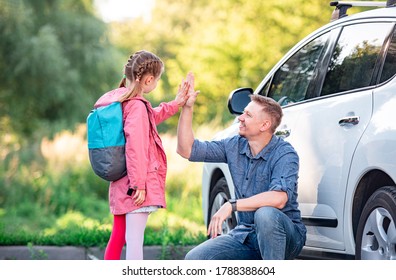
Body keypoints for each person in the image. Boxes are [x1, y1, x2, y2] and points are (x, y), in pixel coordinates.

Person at [177, 78, 307, 260]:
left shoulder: (285, 153)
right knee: (195, 259)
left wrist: (232, 205)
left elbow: (278, 198)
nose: (240, 117)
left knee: (266, 214)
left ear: (264, 125)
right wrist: (187, 108)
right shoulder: (234, 145)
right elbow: (186, 149)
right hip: (246, 235)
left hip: (285, 238)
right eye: (243, 113)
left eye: (248, 115)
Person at [93, 50, 191, 260]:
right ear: (148, 80)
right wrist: (139, 184)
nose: (156, 83)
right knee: (135, 240)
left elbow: (151, 117)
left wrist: (176, 103)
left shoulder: (121, 101)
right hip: (135, 185)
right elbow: (135, 148)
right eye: (156, 80)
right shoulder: (136, 105)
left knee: (118, 236)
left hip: (121, 182)